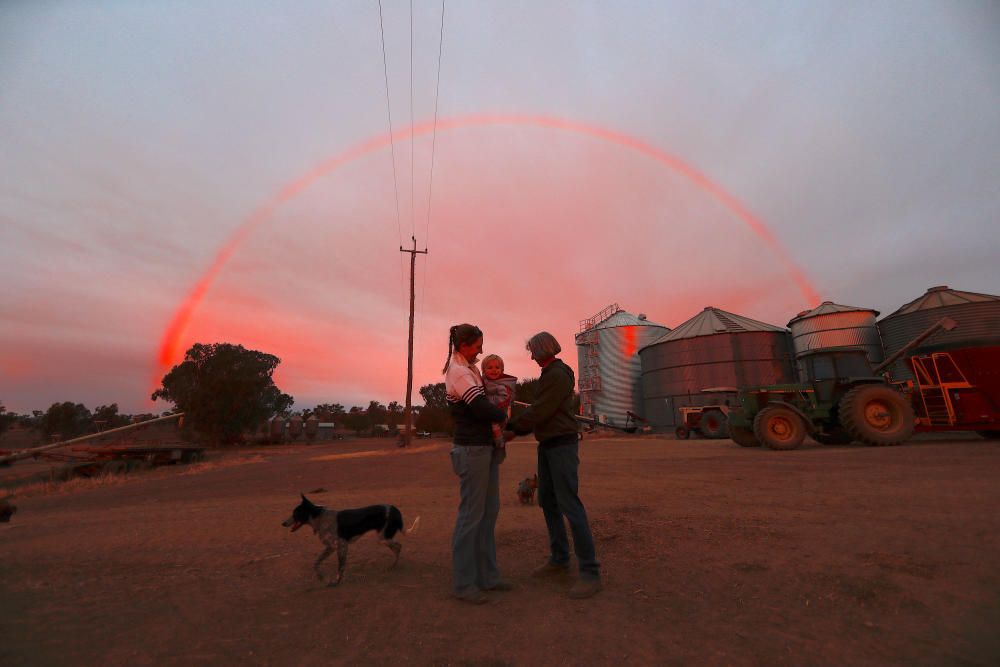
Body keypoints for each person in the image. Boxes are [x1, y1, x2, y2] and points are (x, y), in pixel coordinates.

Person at [506, 331, 602, 599]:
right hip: (549, 444)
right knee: (548, 501)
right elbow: (540, 409)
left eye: (533, 350)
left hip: (561, 444)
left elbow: (541, 410)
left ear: (543, 348)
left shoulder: (557, 374)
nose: (532, 355)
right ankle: (559, 559)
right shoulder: (550, 373)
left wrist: (512, 428)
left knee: (570, 505)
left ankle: (590, 571)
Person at [444, 324, 512, 604]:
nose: (481, 350)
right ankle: (463, 583)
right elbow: (481, 408)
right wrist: (506, 417)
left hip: (484, 447)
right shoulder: (458, 371)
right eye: (477, 346)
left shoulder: (468, 368)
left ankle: (488, 576)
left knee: (488, 512)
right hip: (471, 449)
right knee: (472, 515)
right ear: (463, 345)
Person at [481, 354, 517, 452]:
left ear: (502, 370)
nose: (494, 370)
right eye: (490, 367)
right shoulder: (483, 381)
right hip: (488, 412)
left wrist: (486, 400)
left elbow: (504, 398)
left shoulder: (501, 385)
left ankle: (499, 442)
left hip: (499, 412)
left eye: (497, 367)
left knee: (494, 425)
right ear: (483, 370)